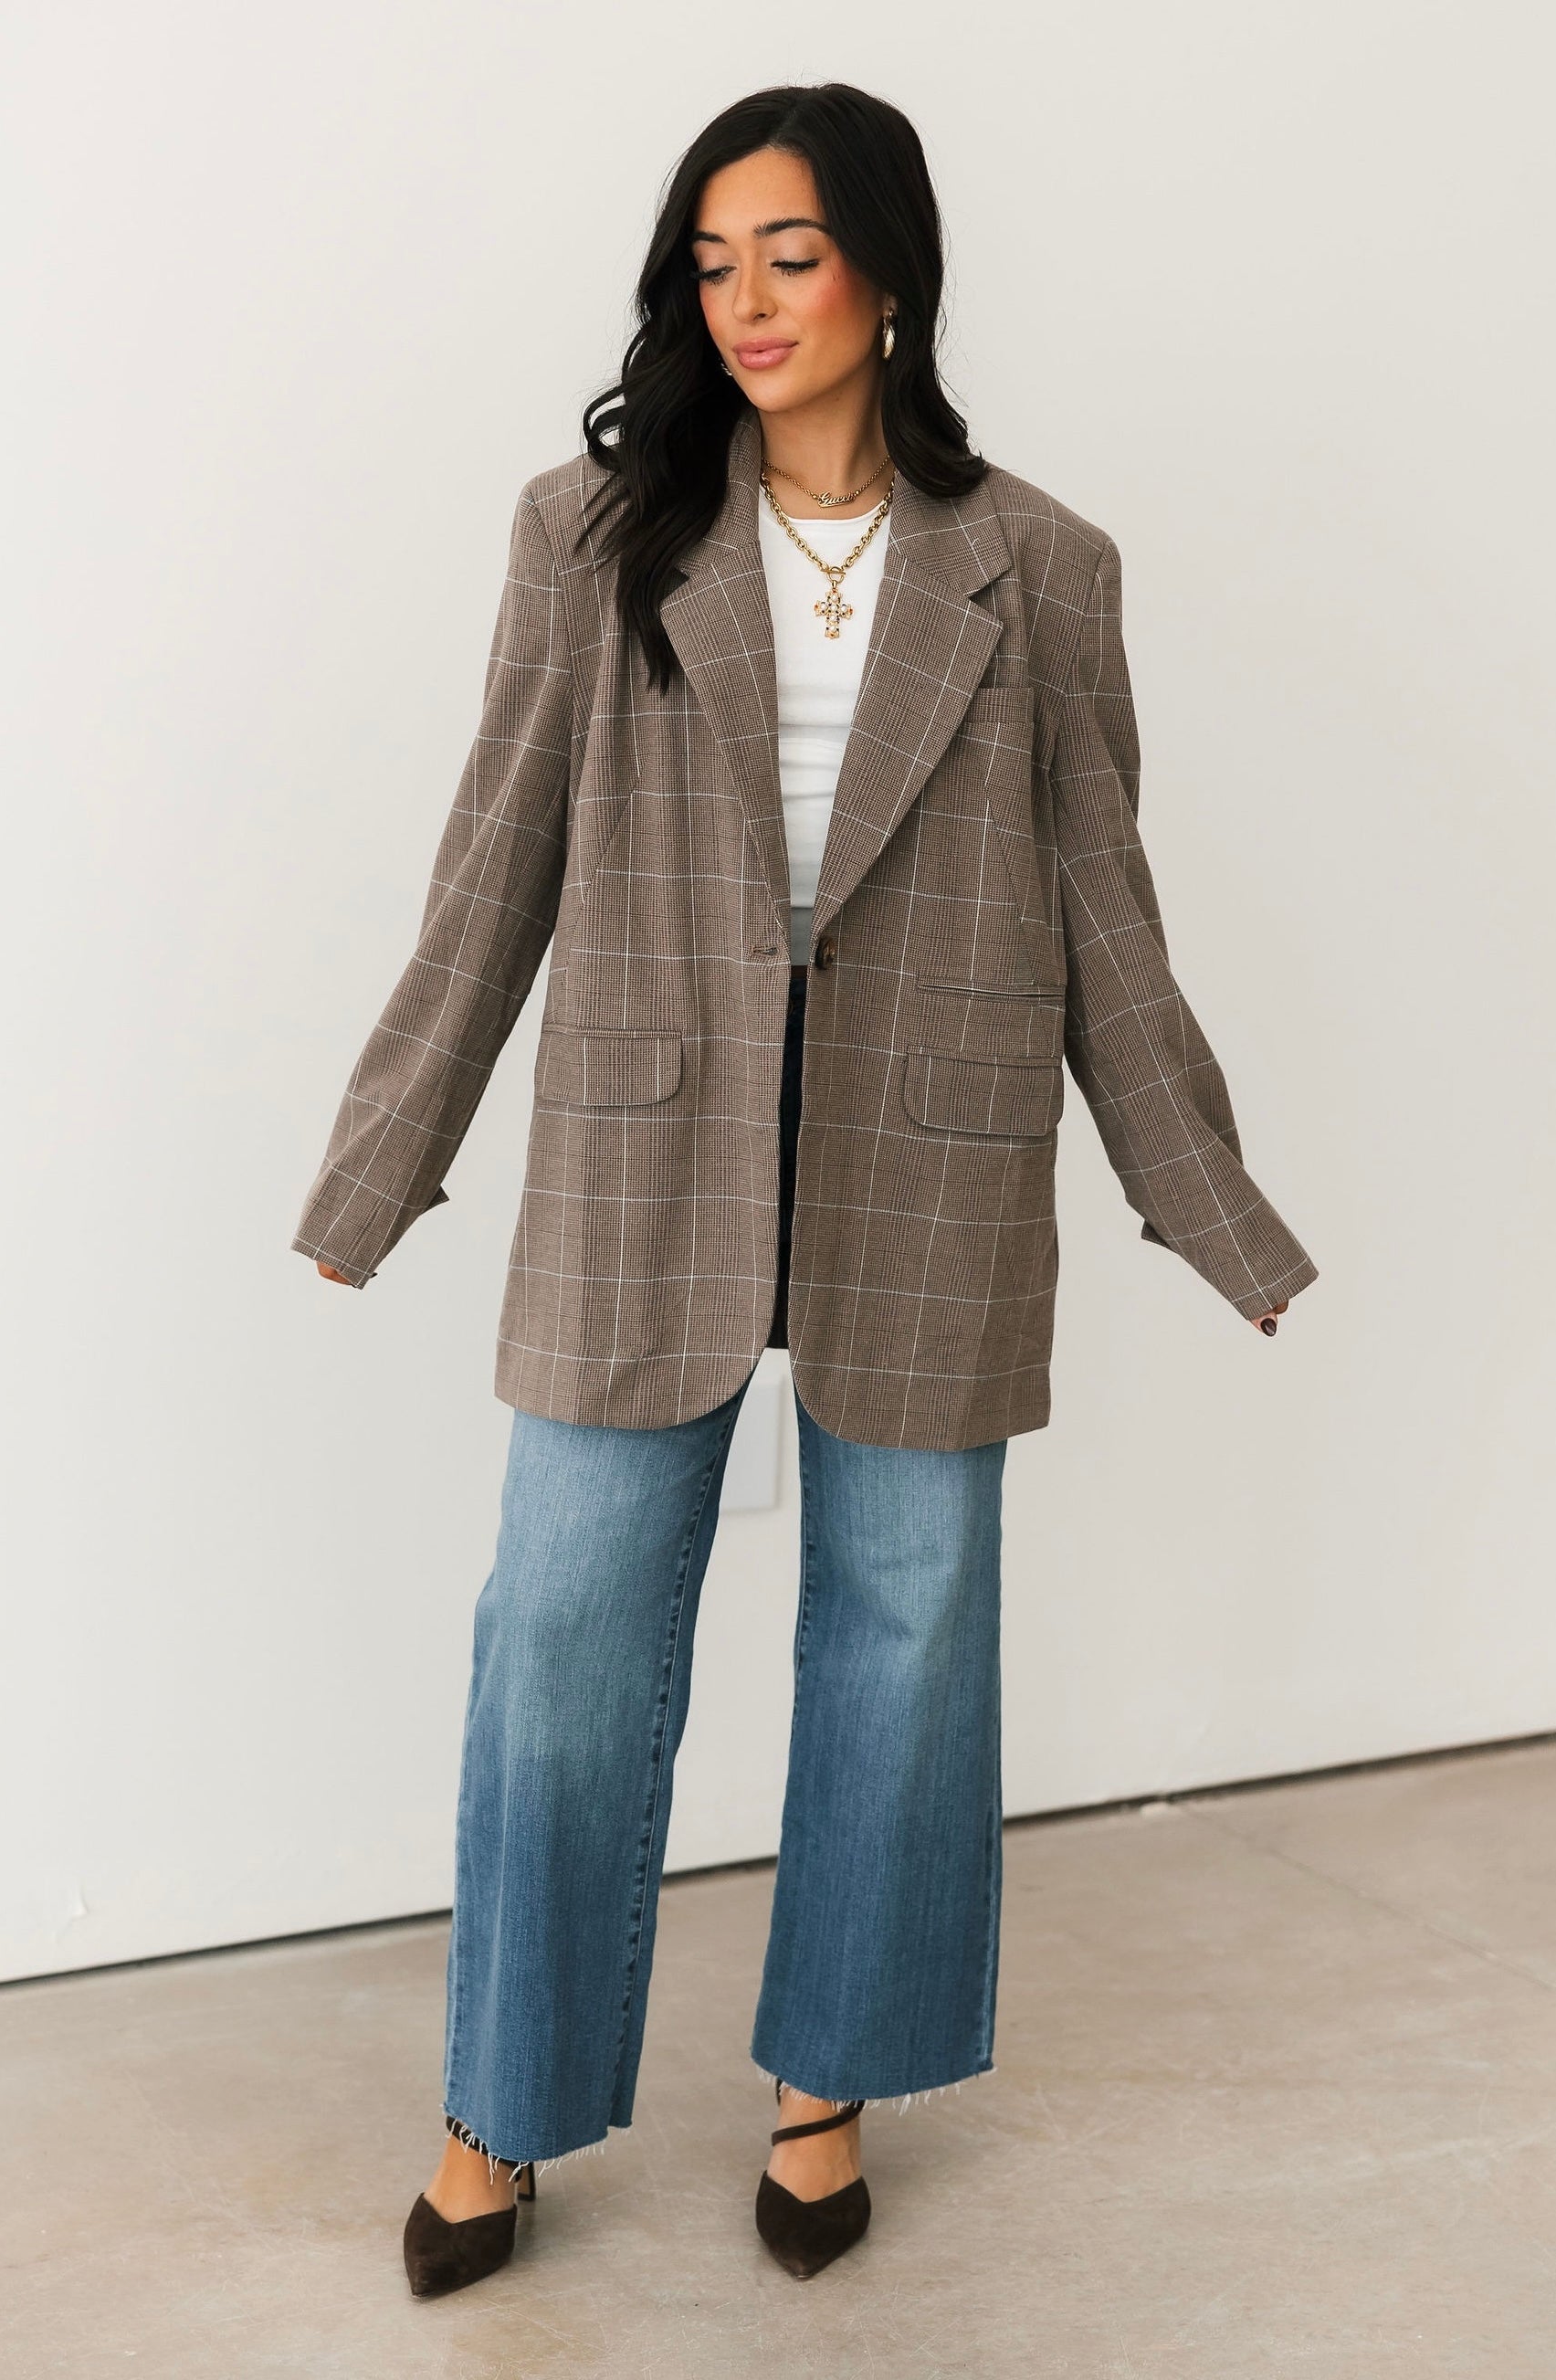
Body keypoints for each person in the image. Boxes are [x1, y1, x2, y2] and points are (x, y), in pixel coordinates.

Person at [290, 81, 1318, 2291]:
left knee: (903, 1648)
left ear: (886, 274)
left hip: (929, 1171)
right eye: (711, 261)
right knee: (559, 1639)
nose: (745, 301)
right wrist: (380, 1165)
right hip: (638, 1156)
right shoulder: (590, 536)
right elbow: (494, 865)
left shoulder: (1039, 565)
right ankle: (499, 2100)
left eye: (788, 253)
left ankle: (828, 2078)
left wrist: (1207, 1205)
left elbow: (1102, 908)